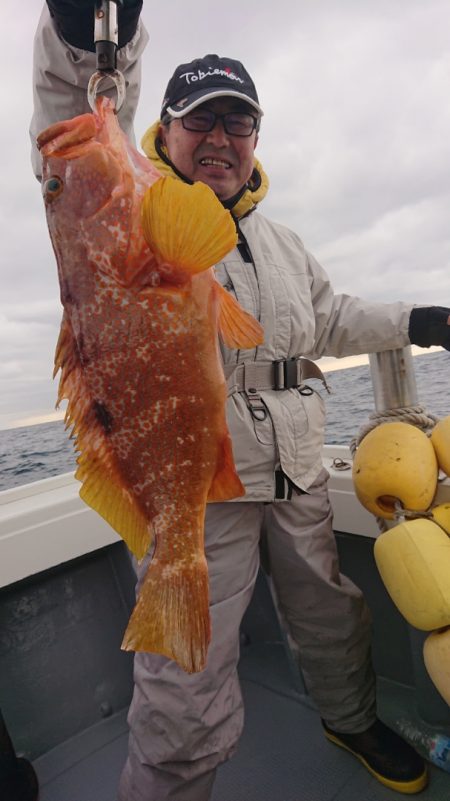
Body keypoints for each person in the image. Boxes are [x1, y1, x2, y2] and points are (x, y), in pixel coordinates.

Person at [30, 3, 450, 800]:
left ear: (256, 139)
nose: (221, 138)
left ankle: (349, 717)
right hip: (196, 484)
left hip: (293, 468)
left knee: (333, 614)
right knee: (183, 674)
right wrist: (81, 44)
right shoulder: (139, 210)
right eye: (201, 121)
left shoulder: (285, 242)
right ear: (163, 128)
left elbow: (330, 319)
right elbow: (66, 135)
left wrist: (416, 320)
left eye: (240, 122)